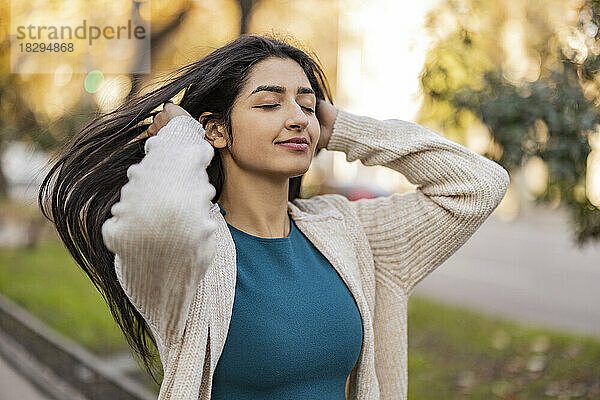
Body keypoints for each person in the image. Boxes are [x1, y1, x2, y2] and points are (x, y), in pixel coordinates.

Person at [38, 34, 510, 400]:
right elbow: (158, 221)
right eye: (269, 103)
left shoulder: (347, 232)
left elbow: (478, 186)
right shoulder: (194, 259)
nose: (297, 118)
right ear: (217, 130)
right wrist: (180, 137)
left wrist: (343, 128)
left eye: (306, 105)